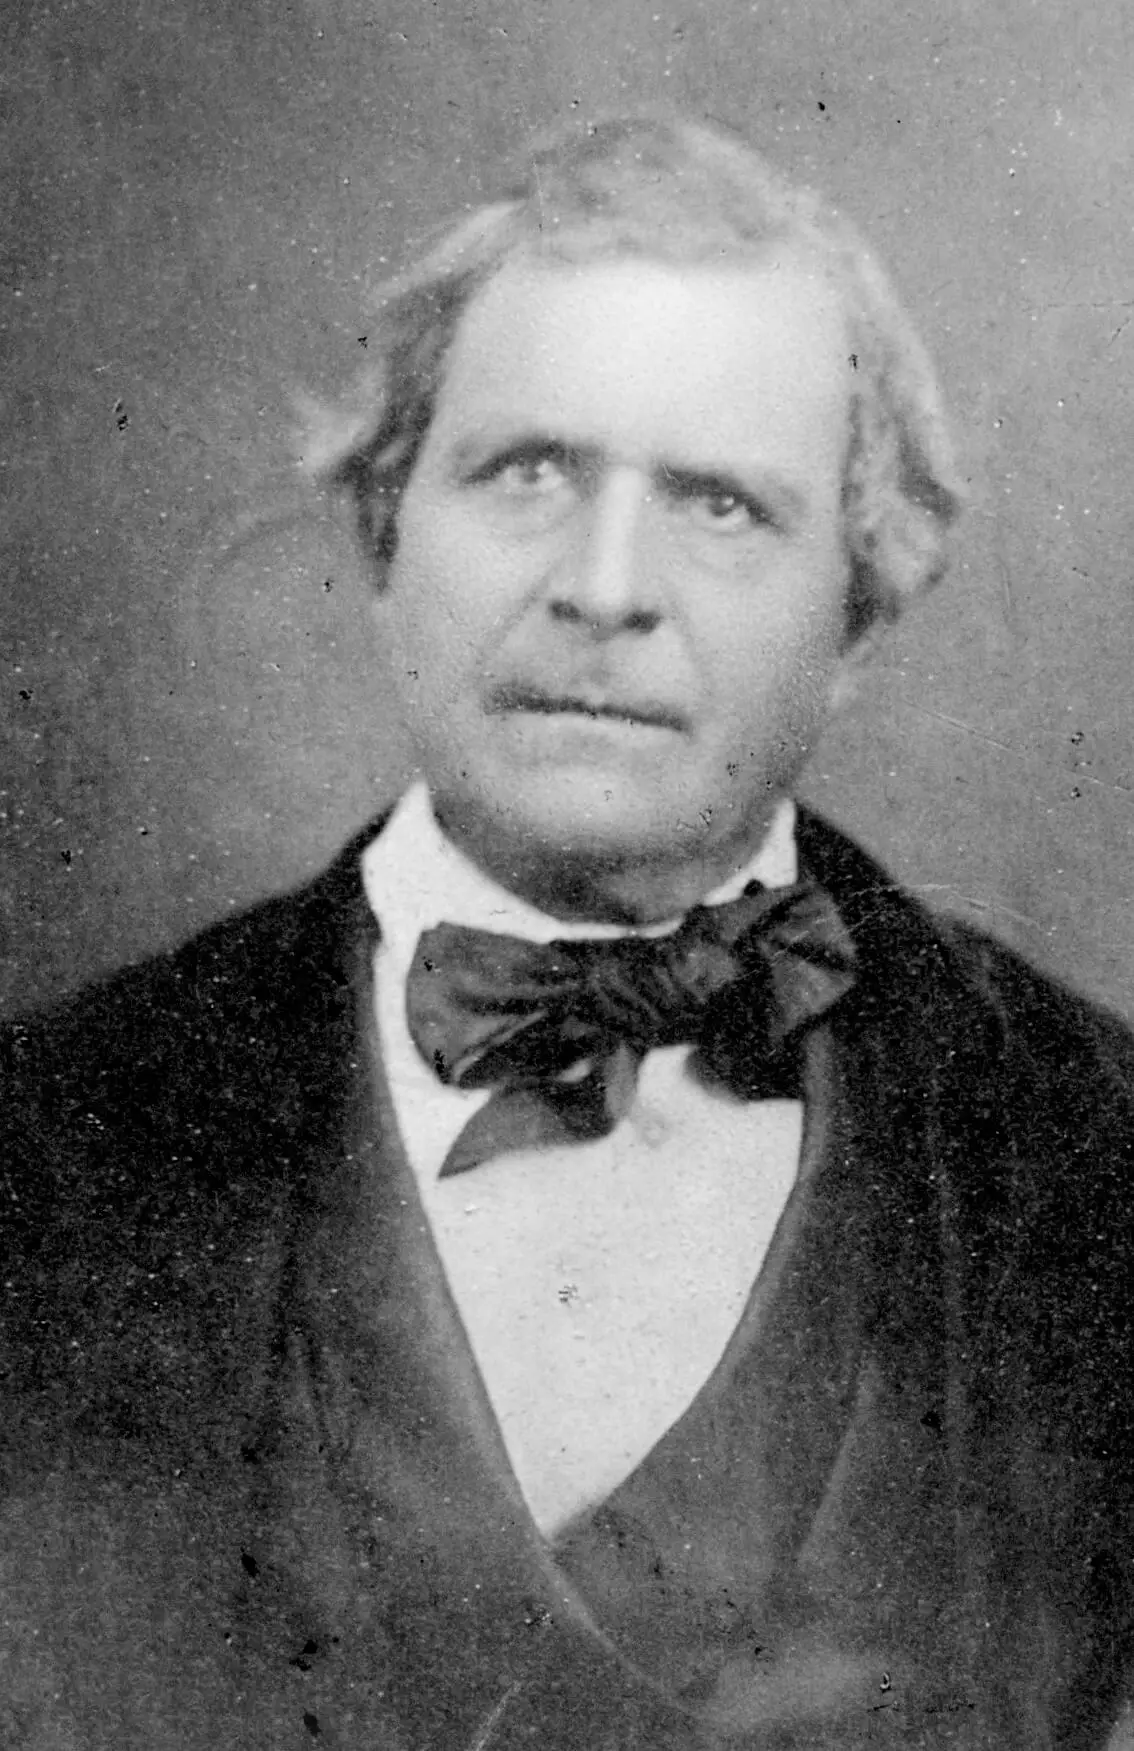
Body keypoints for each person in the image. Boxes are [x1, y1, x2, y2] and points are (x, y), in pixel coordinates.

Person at [3, 113, 1134, 1751]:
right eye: (527, 472)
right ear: (385, 535)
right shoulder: (48, 1137)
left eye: (720, 505)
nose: (606, 585)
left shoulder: (1090, 1148)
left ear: (859, 611)